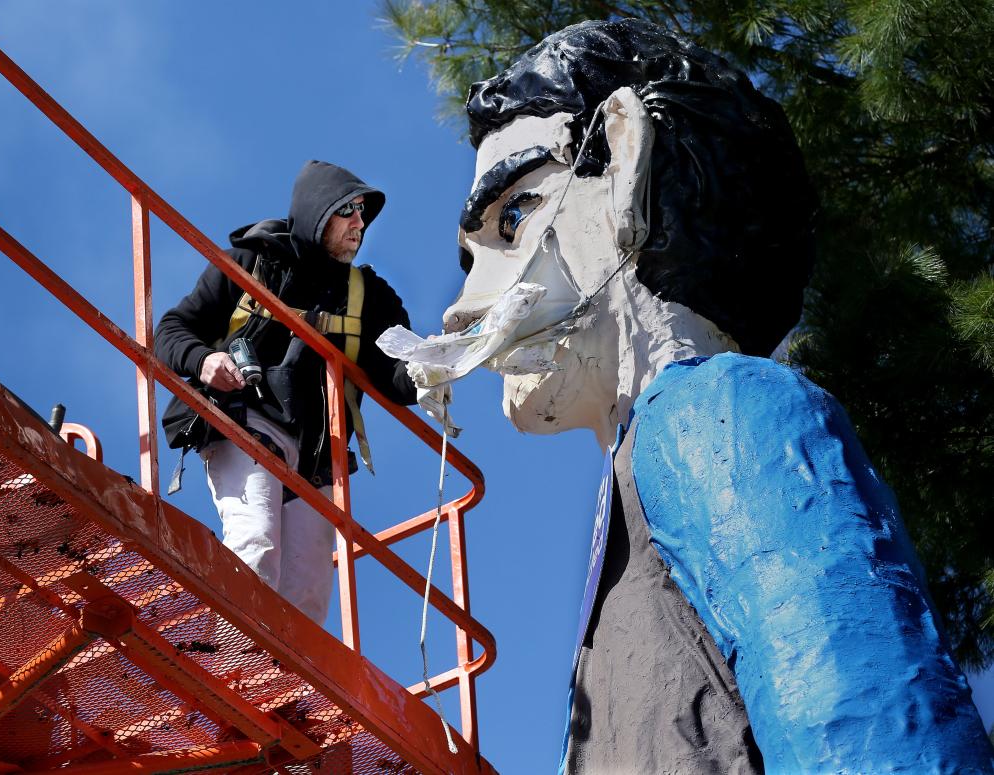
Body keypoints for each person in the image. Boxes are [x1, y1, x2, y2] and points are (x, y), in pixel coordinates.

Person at [395, 18, 992, 774]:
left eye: (514, 217)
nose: (458, 311)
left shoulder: (723, 415)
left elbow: (876, 729)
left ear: (622, 158)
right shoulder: (632, 493)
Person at [155, 160, 417, 625]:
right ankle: (228, 663)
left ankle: (283, 695)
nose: (360, 223)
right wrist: (204, 361)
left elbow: (395, 376)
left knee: (308, 596)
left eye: (363, 212)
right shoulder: (250, 263)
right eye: (348, 211)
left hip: (317, 458)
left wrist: (439, 367)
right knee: (256, 543)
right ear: (318, 213)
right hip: (247, 422)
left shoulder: (368, 298)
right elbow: (173, 329)